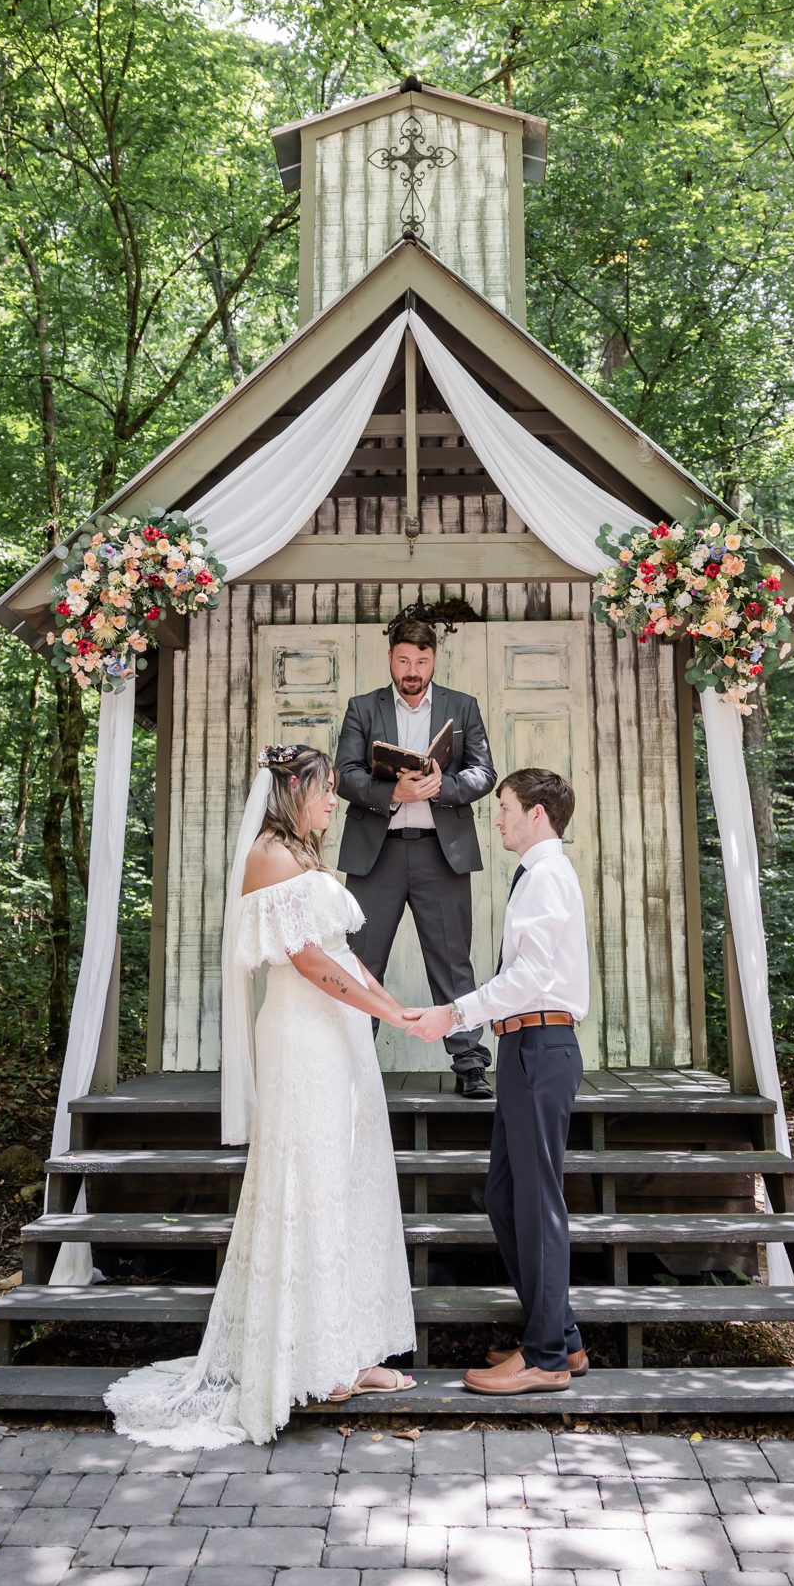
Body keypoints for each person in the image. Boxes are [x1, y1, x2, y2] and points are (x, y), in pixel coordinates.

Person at [105, 745, 417, 1450]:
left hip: (340, 1032)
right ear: (295, 791)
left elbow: (341, 951)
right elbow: (307, 961)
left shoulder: (305, 856)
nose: (334, 802)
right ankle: (315, 1360)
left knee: (344, 1181)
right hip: (302, 1035)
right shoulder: (271, 858)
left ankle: (349, 1353)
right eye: (327, 792)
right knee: (308, 1180)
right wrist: (385, 1014)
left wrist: (390, 1006)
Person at [406, 768, 589, 1393]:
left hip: (540, 1045)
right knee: (505, 1196)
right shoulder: (537, 877)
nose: (498, 817)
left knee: (537, 1205)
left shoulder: (545, 878)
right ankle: (560, 1338)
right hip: (523, 1048)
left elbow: (529, 977)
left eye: (505, 806)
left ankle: (543, 1359)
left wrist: (454, 1013)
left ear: (537, 814)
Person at [336, 617, 497, 1096]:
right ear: (390, 658)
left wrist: (440, 787)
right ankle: (351, 1062)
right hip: (376, 854)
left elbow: (484, 773)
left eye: (422, 661)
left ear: (434, 660)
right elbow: (343, 774)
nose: (413, 670)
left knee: (452, 961)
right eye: (404, 660)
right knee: (361, 962)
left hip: (440, 854)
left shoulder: (462, 707)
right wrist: (394, 791)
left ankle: (470, 1065)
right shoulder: (362, 708)